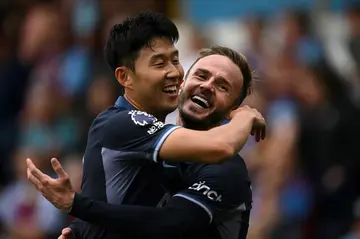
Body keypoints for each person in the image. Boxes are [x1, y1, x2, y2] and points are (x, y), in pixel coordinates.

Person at [27, 46, 260, 239]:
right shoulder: (156, 152)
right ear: (182, 83)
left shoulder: (228, 169)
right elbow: (131, 210)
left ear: (232, 111)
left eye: (222, 86)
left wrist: (77, 205)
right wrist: (82, 230)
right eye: (201, 75)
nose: (207, 86)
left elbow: (169, 223)